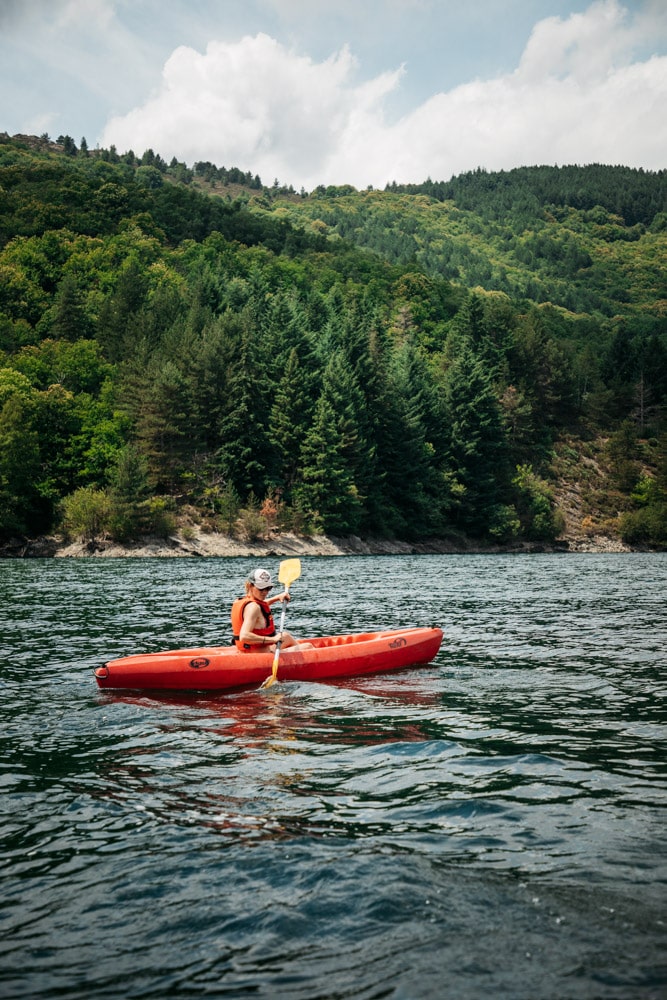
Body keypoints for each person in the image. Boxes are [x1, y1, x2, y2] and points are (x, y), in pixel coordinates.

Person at [231, 567, 312, 653]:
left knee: (286, 636)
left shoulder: (248, 603)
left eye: (268, 588)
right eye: (261, 588)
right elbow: (244, 636)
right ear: (250, 586)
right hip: (260, 656)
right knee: (308, 647)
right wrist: (273, 639)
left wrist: (277, 598)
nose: (265, 592)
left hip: (248, 651)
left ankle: (296, 662)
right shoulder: (253, 608)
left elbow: (260, 607)